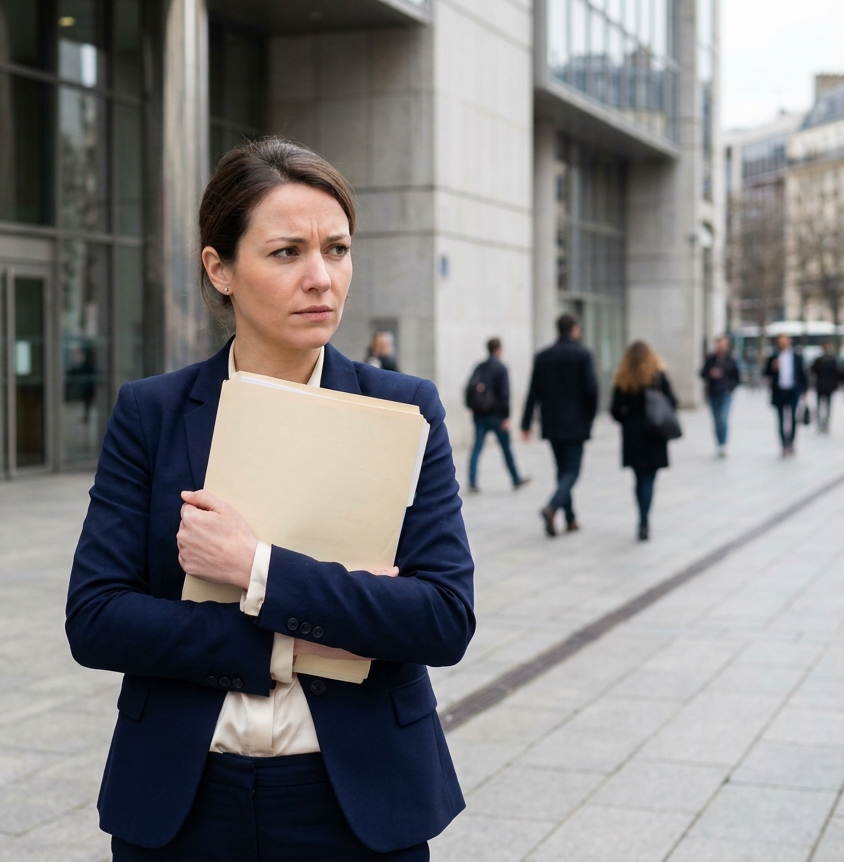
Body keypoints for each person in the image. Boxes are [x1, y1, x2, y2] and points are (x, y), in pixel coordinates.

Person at [66, 138, 475, 861]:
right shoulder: (152, 414)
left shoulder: (404, 410)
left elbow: (442, 618)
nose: (322, 278)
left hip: (355, 804)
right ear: (220, 268)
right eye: (288, 252)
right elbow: (97, 619)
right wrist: (312, 631)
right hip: (183, 802)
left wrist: (257, 569)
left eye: (338, 249)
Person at [520, 313, 599, 537]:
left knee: (562, 471)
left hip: (552, 423)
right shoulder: (583, 354)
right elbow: (592, 390)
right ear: (574, 329)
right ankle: (552, 507)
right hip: (576, 424)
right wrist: (590, 418)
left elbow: (533, 391)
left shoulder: (544, 356)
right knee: (571, 472)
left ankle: (571, 518)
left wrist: (526, 422)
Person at [611, 341, 679, 542]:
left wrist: (627, 421)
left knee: (639, 478)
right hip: (654, 433)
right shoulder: (658, 376)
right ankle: (644, 520)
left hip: (633, 435)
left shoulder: (624, 378)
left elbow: (615, 409)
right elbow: (673, 402)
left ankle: (641, 517)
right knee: (649, 479)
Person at [465, 337, 529, 492]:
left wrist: (471, 407)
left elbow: (469, 388)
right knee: (506, 448)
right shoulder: (501, 368)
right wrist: (506, 417)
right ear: (499, 349)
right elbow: (505, 395)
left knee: (477, 448)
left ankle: (472, 481)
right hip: (497, 416)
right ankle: (515, 478)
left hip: (480, 415)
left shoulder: (479, 367)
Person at [765, 334, 807, 456]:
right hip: (779, 392)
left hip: (793, 391)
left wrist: (804, 390)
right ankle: (783, 445)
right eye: (780, 341)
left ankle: (791, 443)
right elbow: (766, 373)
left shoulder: (797, 356)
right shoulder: (773, 357)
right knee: (781, 419)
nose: (783, 344)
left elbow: (802, 374)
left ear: (789, 342)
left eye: (785, 341)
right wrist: (773, 368)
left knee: (793, 418)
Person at [699, 335, 740, 457]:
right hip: (713, 393)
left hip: (726, 394)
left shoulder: (731, 360)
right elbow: (702, 373)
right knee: (716, 420)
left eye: (724, 344)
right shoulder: (711, 359)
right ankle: (718, 443)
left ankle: (723, 444)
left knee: (723, 419)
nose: (722, 347)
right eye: (720, 344)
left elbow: (737, 378)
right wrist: (710, 373)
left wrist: (730, 388)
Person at [810, 343, 839, 434]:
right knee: (823, 406)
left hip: (824, 386)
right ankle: (822, 424)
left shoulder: (828, 359)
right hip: (823, 386)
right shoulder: (824, 359)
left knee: (825, 406)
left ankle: (824, 424)